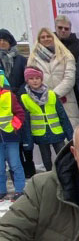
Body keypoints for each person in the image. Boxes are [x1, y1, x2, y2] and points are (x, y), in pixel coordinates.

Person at [19, 66, 73, 172]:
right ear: (27, 81)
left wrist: (70, 134)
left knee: (62, 158)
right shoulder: (24, 98)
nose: (35, 81)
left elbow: (62, 115)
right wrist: (28, 141)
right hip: (40, 135)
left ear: (41, 79)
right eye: (31, 78)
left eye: (37, 78)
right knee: (47, 160)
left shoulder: (52, 95)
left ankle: (64, 175)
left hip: (57, 132)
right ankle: (50, 177)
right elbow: (26, 122)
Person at [28, 28, 79, 129]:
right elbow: (30, 79)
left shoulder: (66, 55)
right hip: (42, 102)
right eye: (42, 37)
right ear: (38, 39)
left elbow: (69, 78)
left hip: (66, 102)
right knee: (51, 137)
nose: (46, 39)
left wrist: (53, 95)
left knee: (70, 139)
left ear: (54, 38)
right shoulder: (32, 58)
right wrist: (43, 96)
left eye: (48, 36)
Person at [0, 29, 34, 178]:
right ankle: (14, 176)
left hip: (19, 100)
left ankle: (29, 169)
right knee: (10, 141)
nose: (2, 42)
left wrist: (16, 93)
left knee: (24, 137)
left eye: (5, 40)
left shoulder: (21, 59)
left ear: (10, 41)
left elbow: (26, 79)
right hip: (3, 105)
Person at [0, 72, 28, 202]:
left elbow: (20, 113)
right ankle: (1, 191)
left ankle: (20, 190)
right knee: (0, 167)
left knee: (15, 164)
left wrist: (14, 126)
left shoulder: (9, 96)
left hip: (11, 137)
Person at [54, 14, 79, 123]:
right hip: (54, 89)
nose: (63, 30)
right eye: (60, 28)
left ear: (70, 30)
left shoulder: (77, 46)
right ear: (55, 28)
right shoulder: (48, 45)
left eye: (66, 28)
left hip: (75, 91)